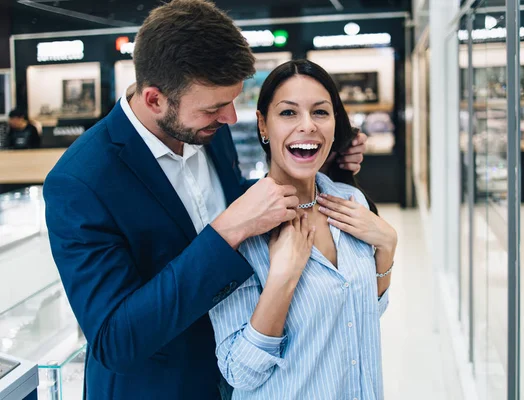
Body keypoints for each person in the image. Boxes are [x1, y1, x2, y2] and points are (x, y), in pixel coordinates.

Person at [42, 1, 367, 399]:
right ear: (155, 99)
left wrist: (327, 162)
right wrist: (228, 230)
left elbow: (222, 201)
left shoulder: (207, 129)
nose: (231, 117)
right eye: (215, 107)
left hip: (242, 375)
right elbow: (115, 341)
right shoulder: (80, 181)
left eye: (232, 101)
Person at [209, 59, 398, 399]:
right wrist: (282, 278)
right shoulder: (240, 232)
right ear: (263, 126)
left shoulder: (349, 201)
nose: (308, 125)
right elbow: (238, 371)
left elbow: (367, 311)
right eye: (288, 113)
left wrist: (387, 247)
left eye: (321, 112)